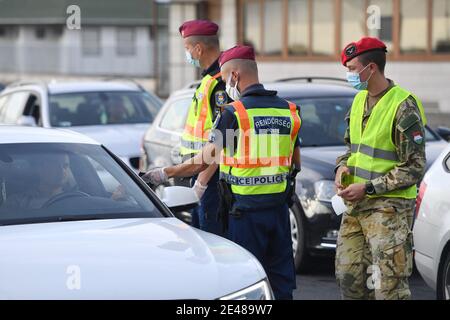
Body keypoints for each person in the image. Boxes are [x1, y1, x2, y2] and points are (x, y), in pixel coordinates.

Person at [143, 46, 301, 300]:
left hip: (245, 216)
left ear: (235, 76)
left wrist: (163, 173)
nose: (226, 83)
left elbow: (205, 159)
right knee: (281, 284)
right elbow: (295, 163)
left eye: (226, 76)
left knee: (244, 284)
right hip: (280, 213)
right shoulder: (290, 111)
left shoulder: (233, 114)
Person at [334, 37, 427, 300]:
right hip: (355, 208)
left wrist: (369, 187)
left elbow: (414, 167)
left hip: (389, 209)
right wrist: (341, 169)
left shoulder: (403, 105)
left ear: (371, 68)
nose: (349, 74)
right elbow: (351, 149)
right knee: (349, 279)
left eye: (352, 68)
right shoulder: (358, 101)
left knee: (389, 288)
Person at [172, 20, 232, 235]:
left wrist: (202, 184)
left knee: (212, 241)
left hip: (210, 178)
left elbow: (223, 139)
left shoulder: (220, 83)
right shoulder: (208, 79)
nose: (187, 54)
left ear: (198, 49)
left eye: (187, 49)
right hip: (199, 174)